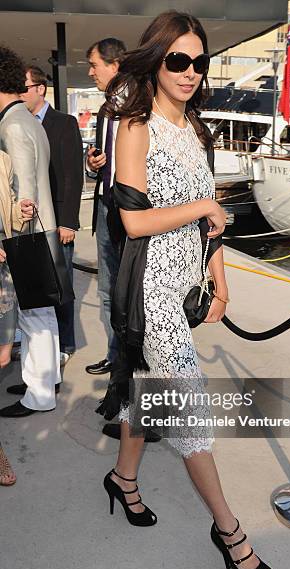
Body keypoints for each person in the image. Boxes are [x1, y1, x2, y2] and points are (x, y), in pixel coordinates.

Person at [101, 11, 275, 569]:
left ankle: (123, 479)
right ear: (156, 59)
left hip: (186, 285)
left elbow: (213, 218)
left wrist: (220, 277)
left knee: (148, 394)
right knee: (192, 414)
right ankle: (229, 531)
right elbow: (131, 220)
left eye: (199, 62)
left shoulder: (198, 131)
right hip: (150, 290)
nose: (190, 71)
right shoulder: (135, 125)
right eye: (178, 59)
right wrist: (203, 209)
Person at [0, 45, 60, 418]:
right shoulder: (25, 119)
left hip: (27, 235)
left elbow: (24, 191)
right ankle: (42, 382)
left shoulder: (12, 125)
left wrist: (15, 236)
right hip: (41, 232)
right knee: (42, 314)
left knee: (33, 316)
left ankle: (38, 395)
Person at [20, 65, 83, 366]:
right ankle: (39, 344)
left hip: (57, 220)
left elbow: (72, 174)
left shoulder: (64, 123)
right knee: (34, 286)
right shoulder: (16, 123)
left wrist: (68, 220)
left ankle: (65, 344)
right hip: (27, 222)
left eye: (23, 88)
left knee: (61, 284)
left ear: (40, 89)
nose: (19, 95)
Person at [85, 38, 127, 376]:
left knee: (128, 290)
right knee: (106, 287)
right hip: (104, 205)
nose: (90, 72)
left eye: (94, 65)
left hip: (129, 213)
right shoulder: (105, 108)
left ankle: (127, 362)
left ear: (114, 65)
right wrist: (93, 163)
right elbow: (102, 159)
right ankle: (115, 358)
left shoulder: (142, 104)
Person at [0, 149, 35, 485]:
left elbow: (8, 212)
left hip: (3, 272)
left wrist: (19, 213)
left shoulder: (3, 159)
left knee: (3, 354)